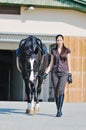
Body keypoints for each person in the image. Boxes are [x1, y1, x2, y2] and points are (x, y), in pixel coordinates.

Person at [43, 34, 72, 117]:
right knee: (56, 92)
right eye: (57, 40)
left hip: (64, 73)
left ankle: (59, 111)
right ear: (56, 41)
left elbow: (69, 63)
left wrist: (70, 74)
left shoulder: (67, 51)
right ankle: (58, 108)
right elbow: (51, 64)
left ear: (63, 40)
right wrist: (46, 73)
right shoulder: (53, 51)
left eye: (60, 40)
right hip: (54, 73)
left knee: (61, 90)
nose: (59, 41)